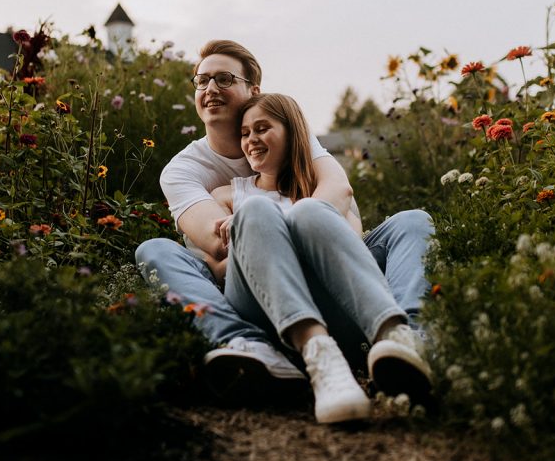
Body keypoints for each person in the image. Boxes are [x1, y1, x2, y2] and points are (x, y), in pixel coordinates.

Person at [135, 40, 433, 402]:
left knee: (412, 221)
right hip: (257, 295)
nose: (211, 88)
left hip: (336, 276)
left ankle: (409, 339)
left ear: (252, 89)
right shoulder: (186, 171)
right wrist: (309, 228)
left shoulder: (288, 129)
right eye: (202, 80)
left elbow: (340, 192)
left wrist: (317, 227)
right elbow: (223, 246)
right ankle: (248, 343)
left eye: (224, 78)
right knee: (158, 248)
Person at [211, 93, 432, 423]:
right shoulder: (227, 196)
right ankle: (319, 354)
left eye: (261, 128)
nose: (251, 140)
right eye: (245, 133)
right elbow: (218, 268)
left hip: (340, 301)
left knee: (413, 219)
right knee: (257, 210)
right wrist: (253, 233)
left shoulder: (323, 188)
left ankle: (405, 338)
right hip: (271, 309)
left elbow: (350, 248)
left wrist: (301, 220)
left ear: (291, 132)